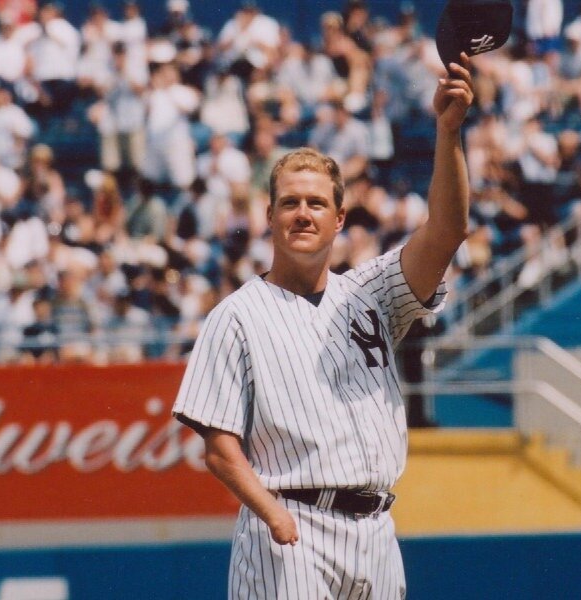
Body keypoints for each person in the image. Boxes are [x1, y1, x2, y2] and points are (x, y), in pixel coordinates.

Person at [172, 53, 474, 598]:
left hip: (376, 530)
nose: (302, 214)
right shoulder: (236, 316)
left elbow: (447, 231)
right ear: (269, 216)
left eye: (316, 203)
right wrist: (270, 513)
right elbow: (219, 448)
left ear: (339, 219)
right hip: (290, 523)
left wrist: (448, 132)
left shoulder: (371, 293)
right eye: (289, 203)